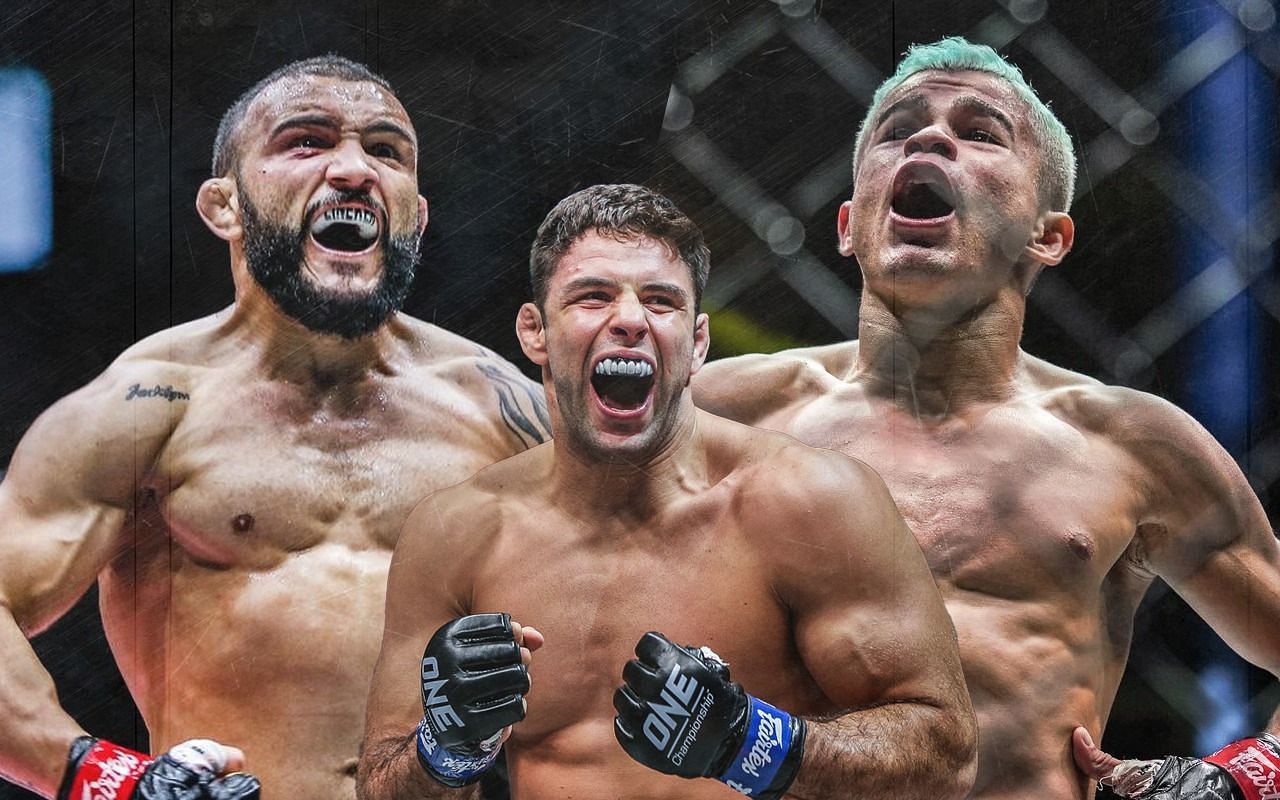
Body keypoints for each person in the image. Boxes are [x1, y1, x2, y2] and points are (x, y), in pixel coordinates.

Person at [693, 37, 1280, 800]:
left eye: (979, 132)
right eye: (899, 129)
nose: (930, 137)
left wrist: (1242, 779)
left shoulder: (1133, 445)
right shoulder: (716, 415)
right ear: (847, 224)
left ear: (1048, 234)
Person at [0, 56, 549, 800]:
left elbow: (670, 560)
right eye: (307, 141)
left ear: (415, 215)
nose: (354, 169)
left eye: (386, 151)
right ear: (223, 206)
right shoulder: (150, 407)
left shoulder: (498, 409)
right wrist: (106, 778)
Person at [357, 183, 978, 800]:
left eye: (660, 302)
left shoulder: (810, 502)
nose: (629, 320)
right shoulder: (455, 532)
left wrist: (748, 742)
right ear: (535, 332)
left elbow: (946, 757)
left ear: (698, 343)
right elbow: (382, 788)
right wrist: (446, 749)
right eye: (592, 296)